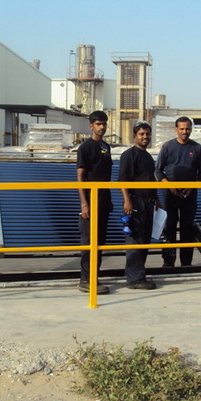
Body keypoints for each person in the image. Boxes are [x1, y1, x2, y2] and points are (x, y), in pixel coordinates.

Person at [155, 116, 201, 267]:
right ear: (176, 129)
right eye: (182, 129)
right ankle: (168, 262)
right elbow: (158, 170)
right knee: (169, 227)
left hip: (189, 195)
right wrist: (169, 186)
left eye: (187, 128)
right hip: (170, 195)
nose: (185, 131)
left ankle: (186, 263)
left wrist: (192, 186)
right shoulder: (167, 147)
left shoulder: (197, 148)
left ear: (191, 129)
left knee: (187, 227)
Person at [119, 121, 161, 289]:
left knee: (144, 241)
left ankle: (136, 274)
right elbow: (123, 180)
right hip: (135, 202)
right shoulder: (129, 155)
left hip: (148, 203)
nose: (145, 137)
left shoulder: (148, 157)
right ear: (134, 136)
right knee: (135, 241)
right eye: (141, 134)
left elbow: (150, 180)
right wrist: (127, 200)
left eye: (147, 134)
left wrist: (156, 199)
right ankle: (135, 279)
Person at [77, 110, 113, 294]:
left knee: (99, 242)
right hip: (91, 201)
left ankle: (94, 277)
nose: (102, 127)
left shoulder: (106, 147)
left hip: (104, 201)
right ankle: (86, 280)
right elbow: (80, 177)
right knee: (89, 241)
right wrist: (84, 204)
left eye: (104, 123)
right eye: (98, 124)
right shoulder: (85, 148)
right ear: (91, 126)